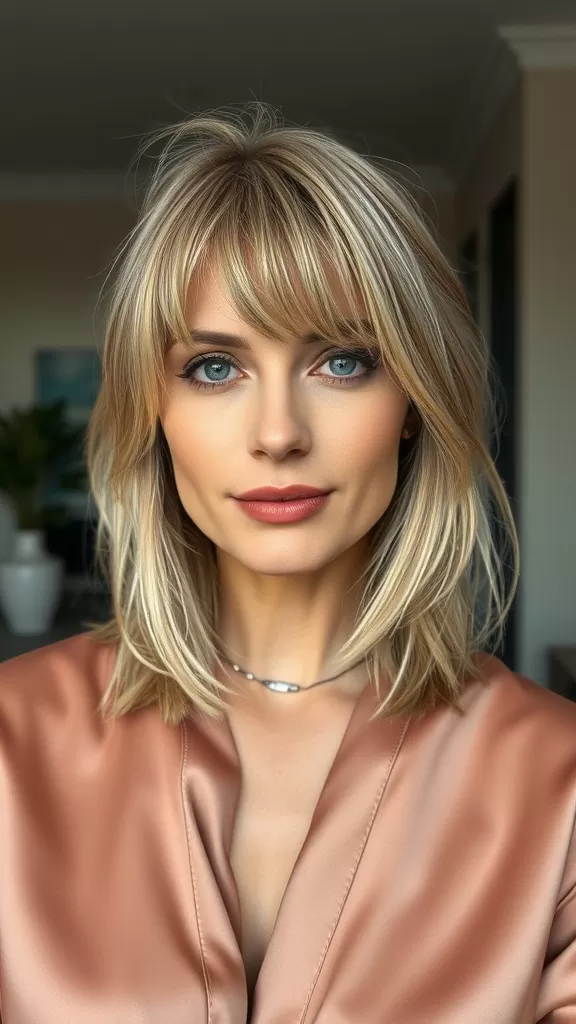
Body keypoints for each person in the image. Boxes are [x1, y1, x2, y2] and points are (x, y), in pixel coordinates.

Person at [0, 104, 574, 1024]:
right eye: (214, 368)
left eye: (342, 362)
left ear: (415, 401)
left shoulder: (556, 780)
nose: (278, 434)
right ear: (153, 411)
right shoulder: (12, 744)